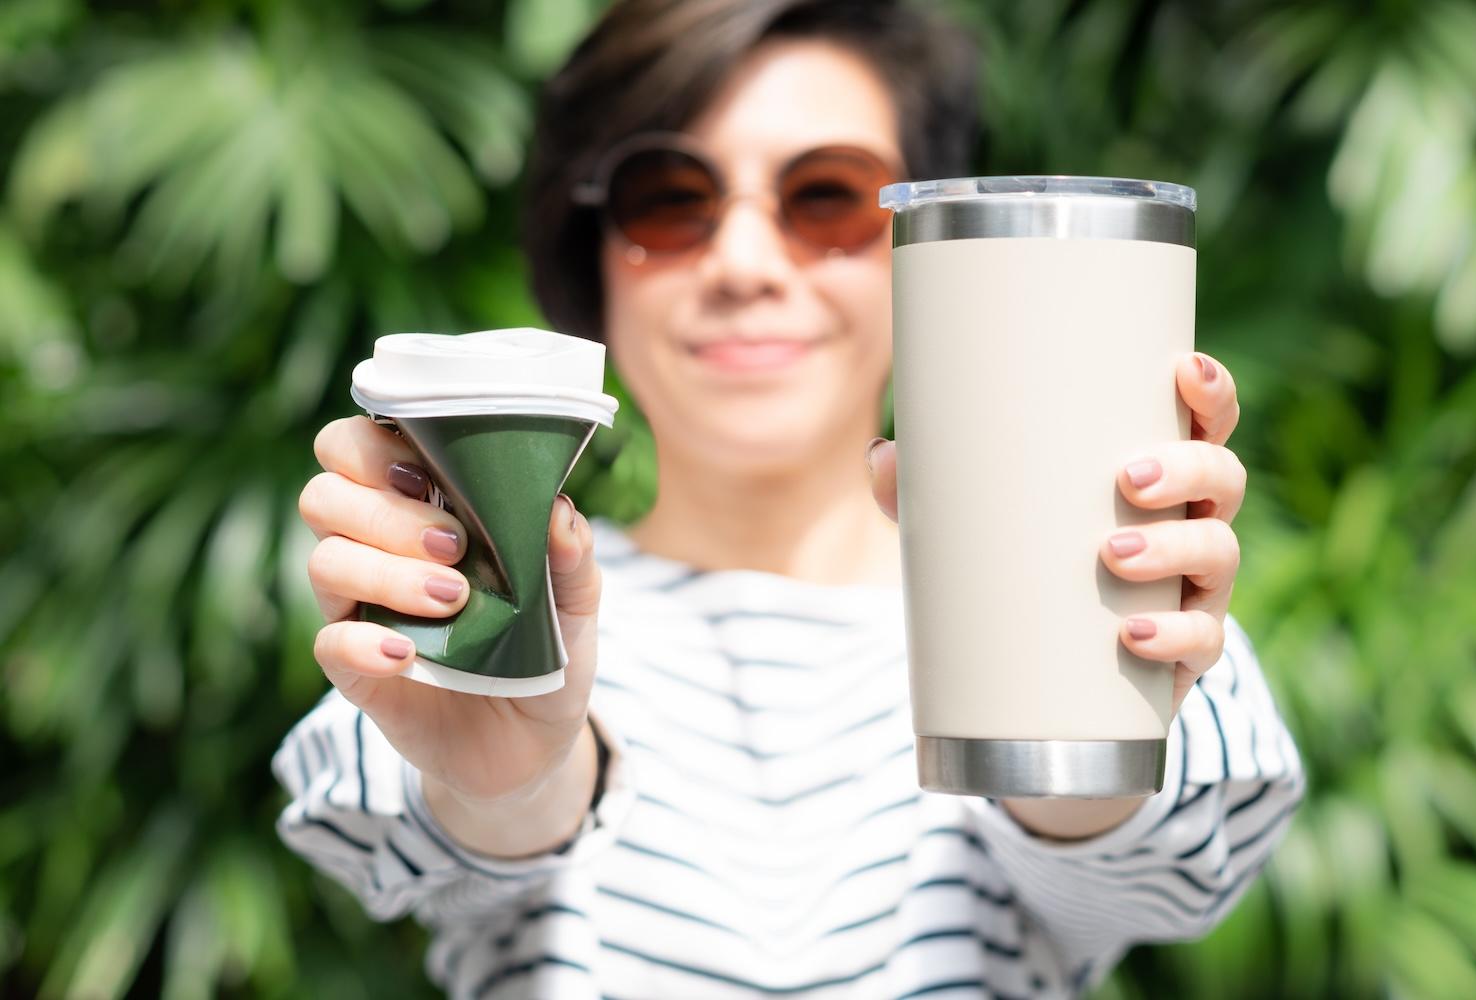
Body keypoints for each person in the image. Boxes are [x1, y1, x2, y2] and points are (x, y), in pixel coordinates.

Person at [275, 0, 1305, 996]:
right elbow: (413, 831)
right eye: (670, 201)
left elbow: (1157, 875)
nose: (745, 264)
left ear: (936, 251)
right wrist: (510, 759)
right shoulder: (481, 608)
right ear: (588, 257)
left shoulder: (1140, 611)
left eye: (827, 198)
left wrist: (1074, 686)